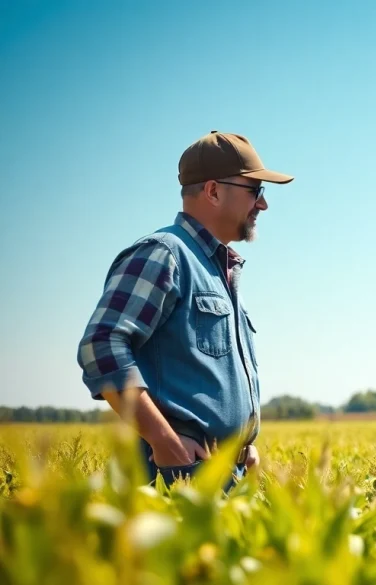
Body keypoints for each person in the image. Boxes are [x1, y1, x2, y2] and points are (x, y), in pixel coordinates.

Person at [76, 130, 293, 486]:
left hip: (225, 474)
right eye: (255, 190)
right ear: (213, 191)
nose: (263, 204)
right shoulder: (163, 254)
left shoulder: (217, 268)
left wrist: (242, 445)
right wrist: (163, 438)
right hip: (178, 477)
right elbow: (101, 345)